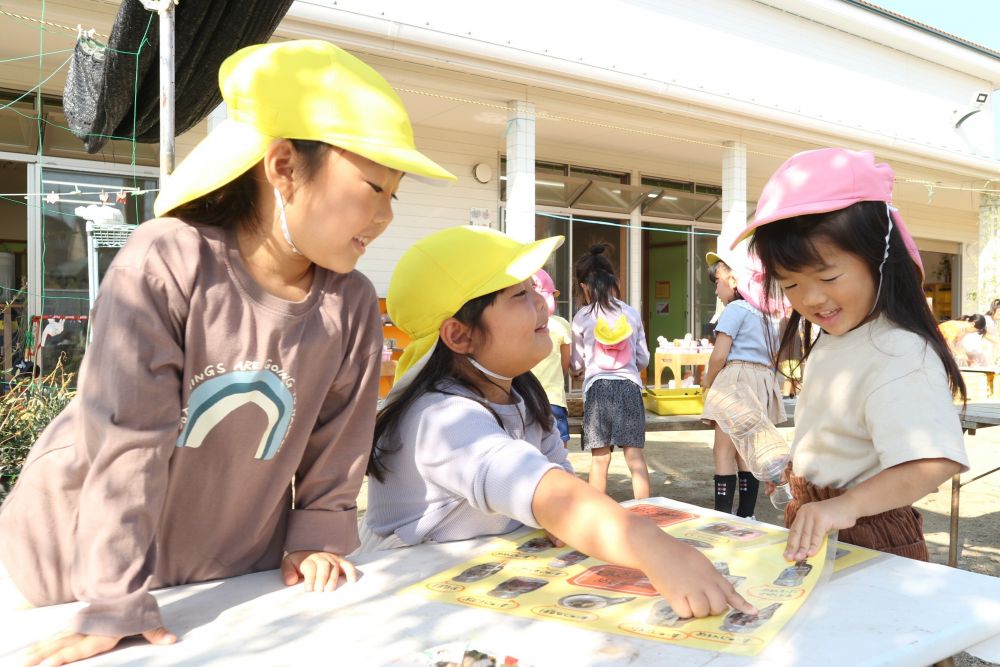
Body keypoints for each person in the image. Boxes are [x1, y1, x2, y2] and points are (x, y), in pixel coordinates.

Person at [0, 40, 455, 666]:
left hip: (231, 575)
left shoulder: (348, 303)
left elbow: (339, 436)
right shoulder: (167, 260)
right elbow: (127, 439)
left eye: (394, 196)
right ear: (285, 165)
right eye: (373, 187)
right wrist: (111, 600)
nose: (383, 216)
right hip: (70, 575)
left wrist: (318, 534)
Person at [362, 225, 753, 620]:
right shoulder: (438, 418)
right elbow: (547, 491)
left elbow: (559, 483)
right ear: (459, 335)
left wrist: (569, 521)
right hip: (411, 607)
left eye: (537, 290)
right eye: (520, 295)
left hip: (486, 591)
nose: (544, 305)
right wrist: (657, 548)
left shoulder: (522, 397)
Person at [734, 147, 969, 562]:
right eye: (790, 285)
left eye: (829, 276)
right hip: (822, 519)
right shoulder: (836, 336)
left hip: (870, 534)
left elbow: (934, 460)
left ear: (880, 257)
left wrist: (844, 504)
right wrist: (800, 472)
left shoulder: (898, 349)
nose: (811, 298)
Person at [700, 250, 786, 519]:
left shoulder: (735, 309)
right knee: (746, 451)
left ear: (735, 280)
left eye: (717, 282)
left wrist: (707, 383)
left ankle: (722, 516)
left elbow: (720, 355)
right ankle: (747, 515)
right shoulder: (767, 316)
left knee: (723, 451)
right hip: (762, 381)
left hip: (736, 380)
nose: (716, 290)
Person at [571, 244, 651, 499]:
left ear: (584, 286)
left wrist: (578, 371)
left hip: (598, 391)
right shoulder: (631, 313)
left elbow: (575, 363)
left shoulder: (582, 316)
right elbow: (643, 358)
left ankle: (598, 517)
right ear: (613, 281)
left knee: (600, 459)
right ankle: (646, 515)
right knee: (635, 457)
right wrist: (628, 368)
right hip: (629, 387)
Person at [529, 269, 573, 445]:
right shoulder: (561, 324)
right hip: (554, 397)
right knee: (559, 446)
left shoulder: (521, 323)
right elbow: (565, 362)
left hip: (526, 395)